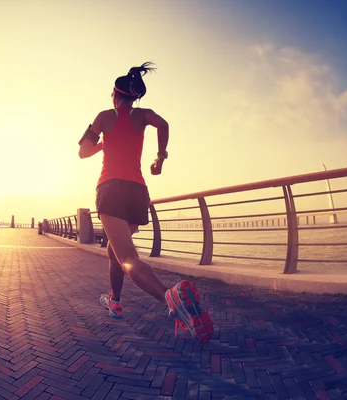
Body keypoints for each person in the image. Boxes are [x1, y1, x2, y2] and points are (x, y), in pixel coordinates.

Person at [78, 62, 213, 344]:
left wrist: (103, 142)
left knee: (128, 258)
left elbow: (82, 152)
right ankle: (114, 300)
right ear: (135, 97)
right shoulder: (143, 116)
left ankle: (169, 297)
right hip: (138, 191)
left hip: (111, 189)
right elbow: (164, 124)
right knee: (116, 252)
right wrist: (160, 157)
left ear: (114, 95)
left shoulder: (104, 116)